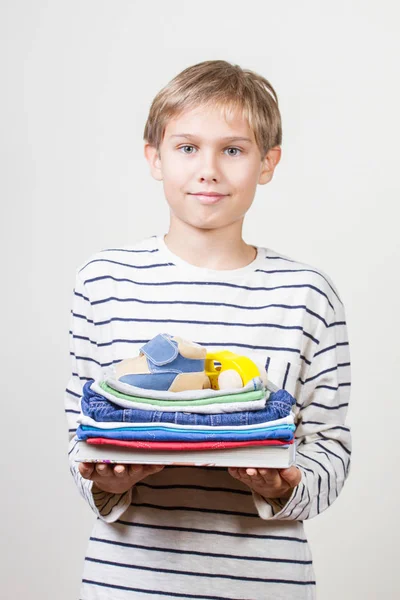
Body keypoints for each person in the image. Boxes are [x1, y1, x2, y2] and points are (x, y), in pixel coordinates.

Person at [65, 59, 351, 599]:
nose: (209, 169)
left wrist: (284, 484)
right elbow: (78, 432)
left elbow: (331, 447)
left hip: (266, 583)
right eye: (187, 147)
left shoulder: (307, 295)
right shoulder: (103, 282)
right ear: (154, 157)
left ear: (268, 163)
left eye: (234, 150)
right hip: (127, 584)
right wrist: (106, 480)